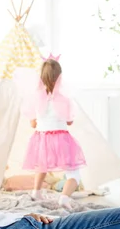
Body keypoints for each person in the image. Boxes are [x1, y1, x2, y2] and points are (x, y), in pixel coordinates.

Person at [21, 54, 86, 209]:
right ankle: (64, 198)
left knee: (41, 165)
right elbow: (69, 121)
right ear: (60, 77)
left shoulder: (36, 97)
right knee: (74, 174)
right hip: (61, 139)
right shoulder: (64, 97)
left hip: (41, 138)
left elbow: (32, 122)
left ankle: (36, 192)